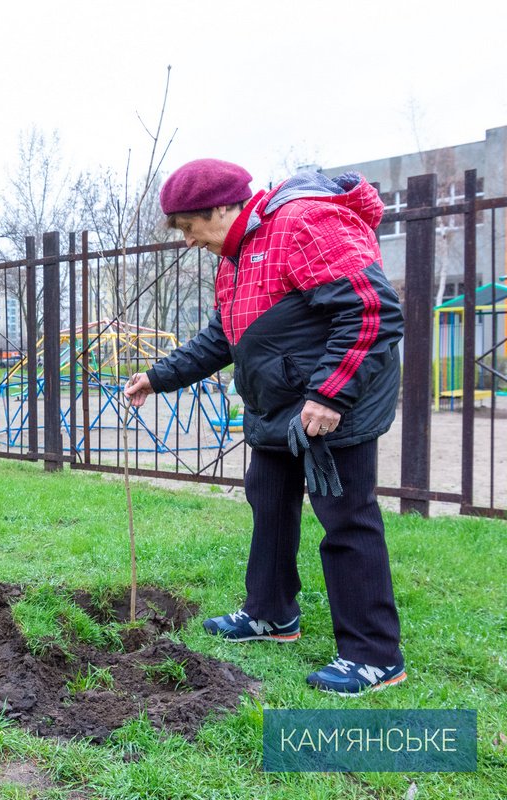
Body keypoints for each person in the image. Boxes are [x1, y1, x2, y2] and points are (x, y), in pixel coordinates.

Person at [123, 159, 406, 695]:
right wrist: (158, 378)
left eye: (190, 228)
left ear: (223, 207)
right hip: (278, 408)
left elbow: (372, 312)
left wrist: (329, 394)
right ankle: (271, 615)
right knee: (269, 502)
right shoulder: (233, 258)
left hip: (333, 402)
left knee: (347, 518)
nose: (188, 242)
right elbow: (223, 339)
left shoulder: (303, 224)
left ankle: (374, 655)